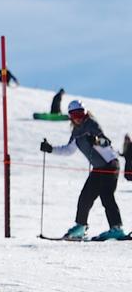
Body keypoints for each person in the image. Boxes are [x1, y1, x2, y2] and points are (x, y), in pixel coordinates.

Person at [41, 100, 125, 241]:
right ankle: (80, 227)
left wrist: (96, 140)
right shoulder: (76, 132)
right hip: (98, 168)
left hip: (110, 164)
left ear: (85, 113)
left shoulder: (91, 124)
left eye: (81, 114)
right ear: (70, 117)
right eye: (74, 115)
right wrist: (51, 149)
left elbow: (106, 142)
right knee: (85, 197)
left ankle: (117, 229)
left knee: (106, 195)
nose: (78, 118)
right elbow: (68, 150)